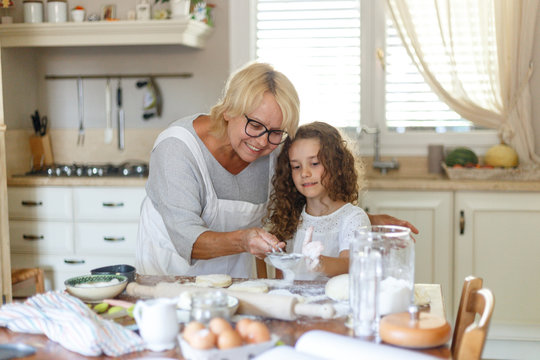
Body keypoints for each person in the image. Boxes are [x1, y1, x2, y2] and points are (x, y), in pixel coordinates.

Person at [136, 61, 418, 278]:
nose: (261, 142)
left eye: (275, 132)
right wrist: (245, 240)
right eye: (255, 126)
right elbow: (189, 241)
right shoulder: (177, 150)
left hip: (235, 278)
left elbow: (304, 203)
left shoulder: (275, 147)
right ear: (228, 110)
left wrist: (362, 221)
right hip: (172, 276)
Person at [265, 122, 370, 279]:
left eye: (314, 164)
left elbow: (351, 263)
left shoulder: (353, 218)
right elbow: (281, 279)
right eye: (296, 166)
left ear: (338, 165)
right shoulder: (289, 217)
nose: (305, 173)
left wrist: (319, 263)